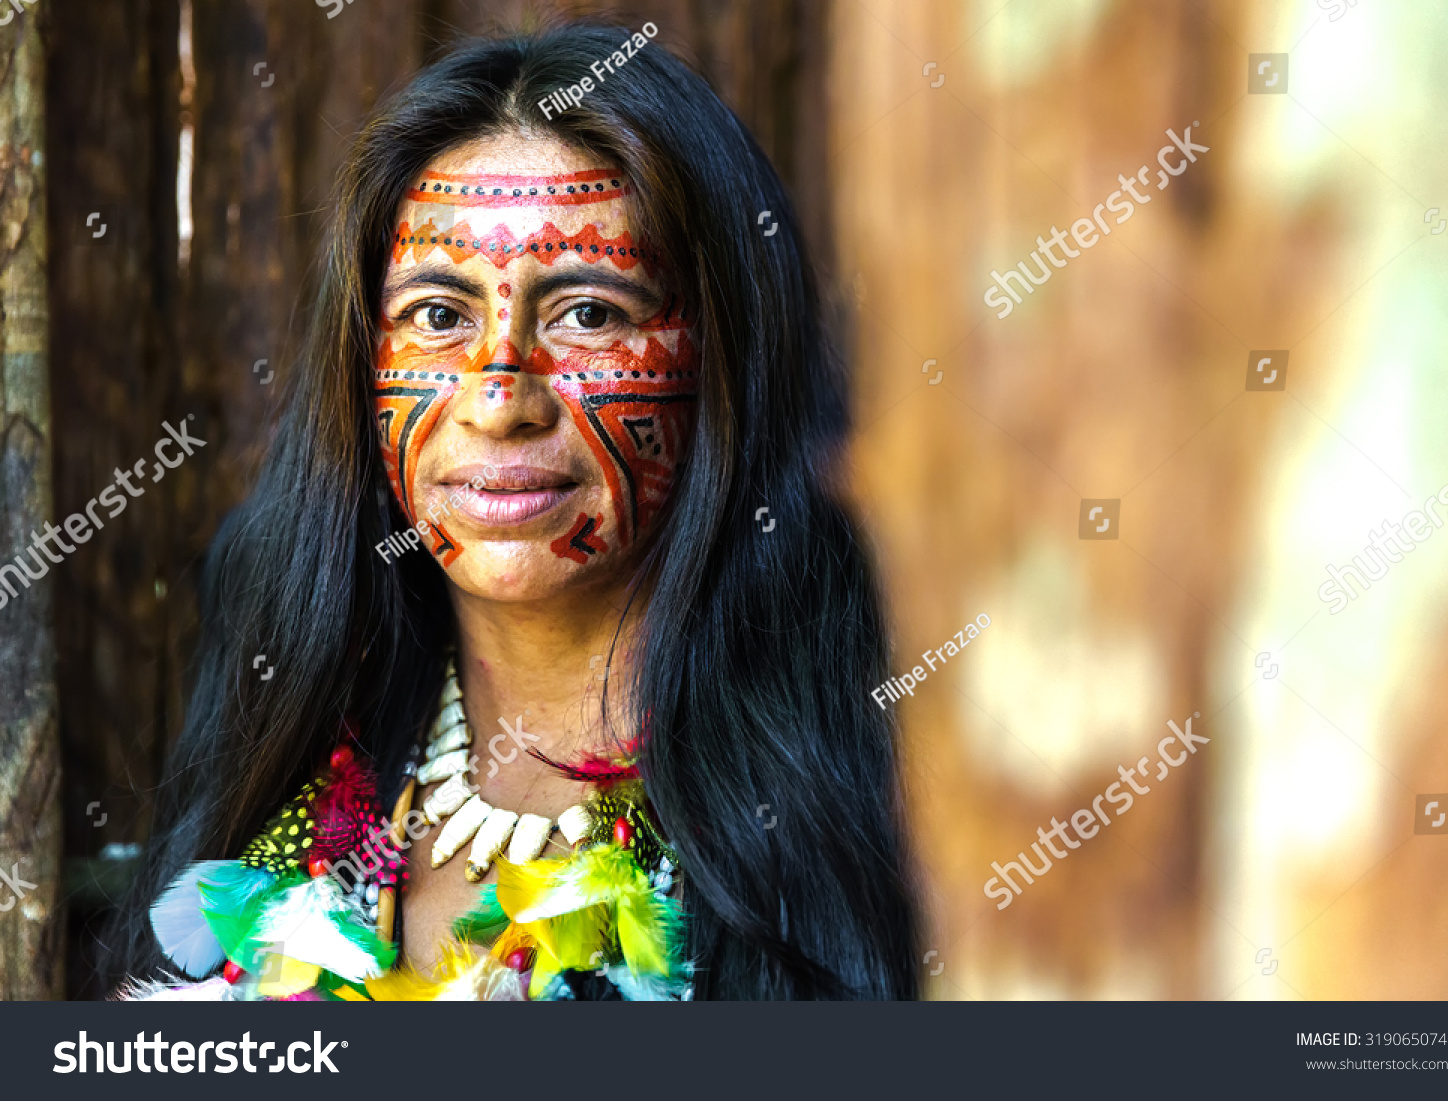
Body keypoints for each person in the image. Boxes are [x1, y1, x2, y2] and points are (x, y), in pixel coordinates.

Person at [105, 22, 920, 1001]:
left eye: (588, 314)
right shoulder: (299, 758)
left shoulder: (884, 800)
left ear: (724, 356)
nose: (500, 400)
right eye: (439, 317)